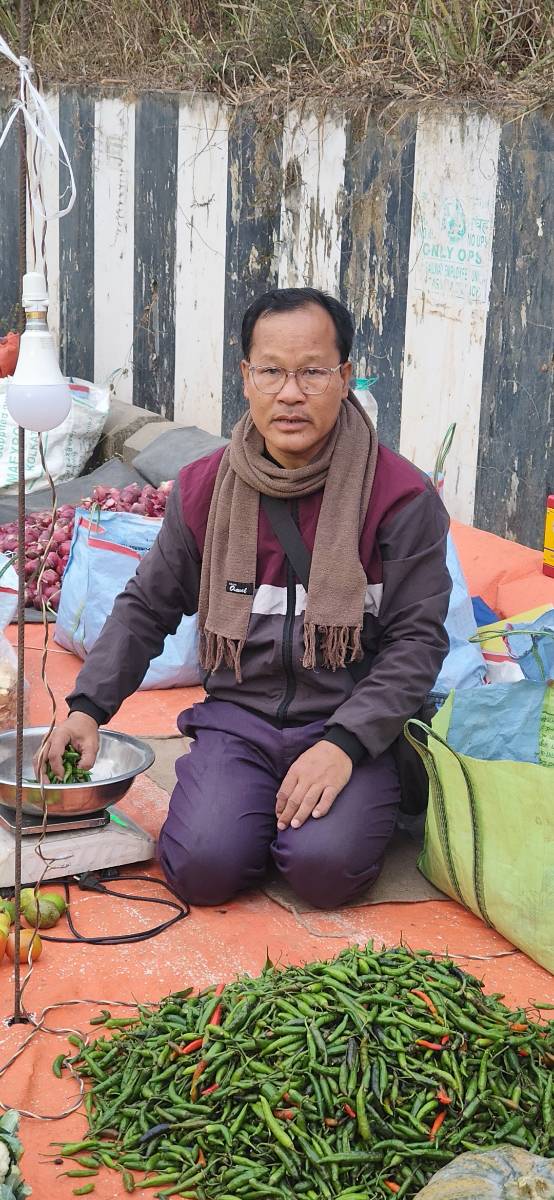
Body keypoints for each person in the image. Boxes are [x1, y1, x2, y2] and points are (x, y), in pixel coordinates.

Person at [43, 288, 452, 909]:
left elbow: (418, 642)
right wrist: (86, 707)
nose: (290, 393)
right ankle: (243, 802)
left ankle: (369, 786)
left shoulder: (400, 498)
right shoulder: (206, 488)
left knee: (323, 870)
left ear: (344, 377)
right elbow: (147, 606)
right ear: (246, 377)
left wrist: (346, 745)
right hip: (240, 720)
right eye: (271, 371)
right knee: (203, 869)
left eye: (313, 371)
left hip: (348, 720)